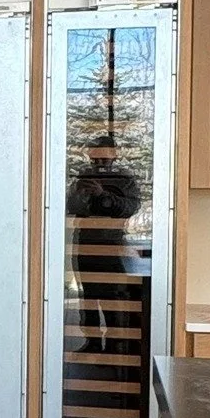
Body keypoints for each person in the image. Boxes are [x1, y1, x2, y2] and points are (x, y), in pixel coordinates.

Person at [66, 133, 143, 350]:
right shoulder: (82, 178)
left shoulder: (124, 180)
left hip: (112, 245)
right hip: (84, 244)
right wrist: (81, 194)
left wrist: (103, 195)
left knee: (113, 297)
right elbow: (69, 207)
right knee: (88, 295)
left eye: (104, 158)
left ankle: (113, 345)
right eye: (95, 158)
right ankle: (91, 341)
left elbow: (131, 208)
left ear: (114, 156)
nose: (99, 163)